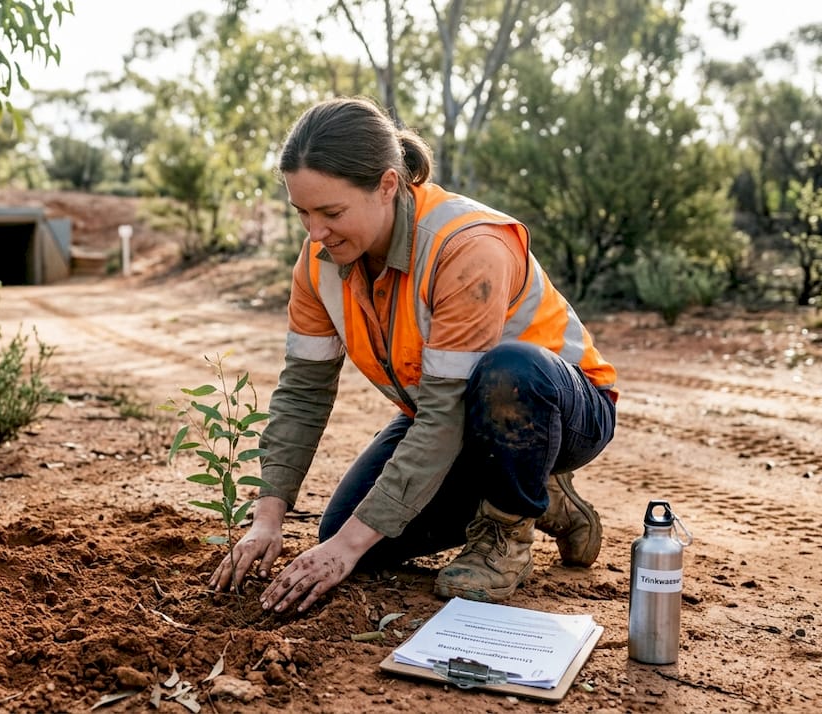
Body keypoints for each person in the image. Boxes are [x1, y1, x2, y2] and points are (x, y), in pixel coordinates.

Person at [210, 97, 618, 612]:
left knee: (509, 371)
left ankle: (508, 532)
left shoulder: (466, 247)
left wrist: (346, 549)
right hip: (450, 418)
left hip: (561, 410)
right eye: (302, 213)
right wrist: (267, 519)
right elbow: (302, 395)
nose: (315, 233)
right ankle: (543, 496)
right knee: (343, 531)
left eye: (332, 212)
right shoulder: (318, 263)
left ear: (386, 185)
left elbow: (447, 412)